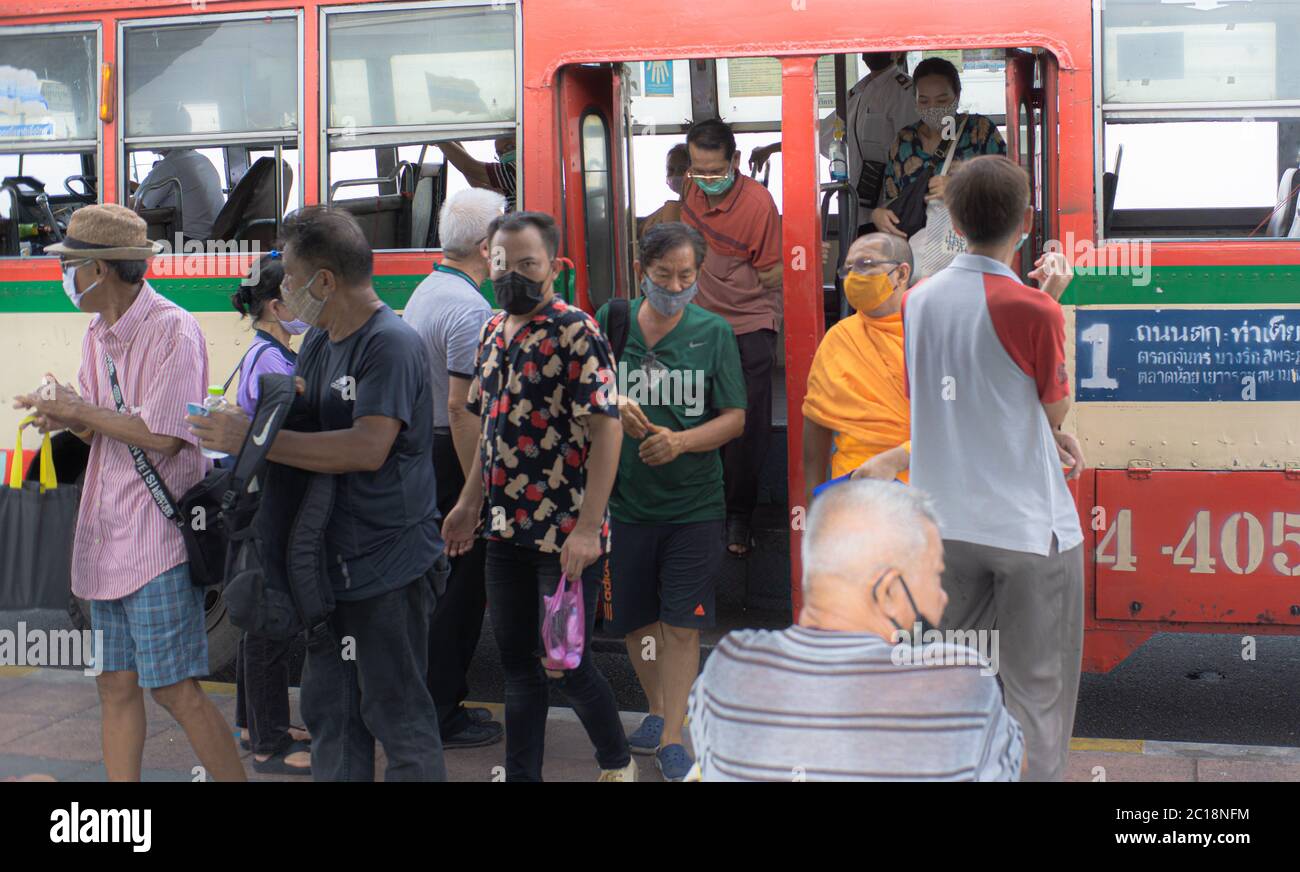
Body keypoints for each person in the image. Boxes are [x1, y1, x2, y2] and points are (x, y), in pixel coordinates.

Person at [189, 206, 448, 782]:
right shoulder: (320, 343)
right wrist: (256, 419)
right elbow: (306, 426)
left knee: (398, 718)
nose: (283, 290)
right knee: (333, 716)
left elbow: (366, 448)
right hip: (329, 574)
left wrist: (254, 437)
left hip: (388, 568)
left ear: (324, 280)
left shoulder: (392, 344)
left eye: (290, 275)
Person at [13, 203, 245, 782]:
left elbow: (165, 437)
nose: (63, 276)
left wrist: (78, 409)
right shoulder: (99, 333)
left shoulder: (171, 329)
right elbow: (100, 426)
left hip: (155, 539)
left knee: (173, 688)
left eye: (70, 265)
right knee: (115, 685)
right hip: (109, 529)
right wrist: (63, 416)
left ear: (102, 269)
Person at [901, 155, 1084, 781]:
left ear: (951, 217)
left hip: (945, 529)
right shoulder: (1035, 309)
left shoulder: (916, 302)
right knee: (1037, 695)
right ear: (1027, 221)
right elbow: (1055, 408)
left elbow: (954, 391)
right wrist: (1049, 299)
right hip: (1029, 532)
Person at [440, 211, 635, 782]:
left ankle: (617, 763)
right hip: (503, 531)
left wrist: (588, 528)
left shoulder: (577, 331)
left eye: (528, 264)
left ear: (553, 266)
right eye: (504, 263)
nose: (513, 275)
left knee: (568, 665)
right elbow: (489, 430)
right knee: (517, 667)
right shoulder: (490, 330)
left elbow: (607, 428)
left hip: (562, 535)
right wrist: (468, 503)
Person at [687, 480, 1024, 781]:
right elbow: (1012, 767)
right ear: (889, 592)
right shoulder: (960, 680)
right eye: (935, 577)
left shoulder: (729, 664)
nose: (943, 597)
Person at [594, 222, 746, 781]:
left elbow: (734, 418)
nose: (677, 286)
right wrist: (616, 405)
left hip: (695, 505)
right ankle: (657, 708)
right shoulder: (610, 323)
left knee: (682, 625)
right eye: (665, 276)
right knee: (637, 622)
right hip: (625, 502)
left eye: (687, 276)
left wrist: (680, 440)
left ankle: (674, 735)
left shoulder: (715, 332)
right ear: (642, 272)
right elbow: (585, 394)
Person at [402, 188, 507, 750]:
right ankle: (443, 711)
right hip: (453, 455)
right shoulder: (471, 310)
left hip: (429, 455)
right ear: (487, 247)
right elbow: (461, 411)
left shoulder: (429, 289)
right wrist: (479, 494)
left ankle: (429, 702)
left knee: (440, 589)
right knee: (461, 593)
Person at [679, 117, 783, 557]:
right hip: (698, 324)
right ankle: (703, 510)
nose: (706, 182)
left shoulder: (759, 205)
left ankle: (739, 516)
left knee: (744, 425)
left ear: (736, 161)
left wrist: (732, 287)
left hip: (748, 325)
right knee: (694, 415)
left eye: (715, 172)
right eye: (697, 171)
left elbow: (774, 273)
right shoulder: (692, 192)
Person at [227, 253, 312, 775]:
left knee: (261, 619)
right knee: (270, 623)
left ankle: (251, 721)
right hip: (268, 502)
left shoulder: (267, 352)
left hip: (260, 499)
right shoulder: (273, 362)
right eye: (300, 296)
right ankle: (269, 743)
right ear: (277, 305)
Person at [749, 52, 919, 230]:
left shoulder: (905, 92)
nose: (870, 52)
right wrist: (771, 148)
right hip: (858, 204)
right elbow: (820, 135)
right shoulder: (859, 91)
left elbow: (914, 150)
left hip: (890, 208)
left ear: (897, 52)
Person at [802, 232, 913, 504]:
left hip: (924, 489)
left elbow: (954, 423)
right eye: (848, 268)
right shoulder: (840, 338)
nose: (854, 276)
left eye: (866, 264)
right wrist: (813, 495)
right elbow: (817, 422)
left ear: (901, 274)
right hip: (853, 488)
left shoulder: (930, 332)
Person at [871, 57, 1006, 240]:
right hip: (917, 252)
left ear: (957, 96)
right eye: (924, 101)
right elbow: (893, 198)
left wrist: (960, 190)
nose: (933, 108)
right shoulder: (904, 140)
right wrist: (879, 215)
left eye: (942, 101)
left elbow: (1008, 192)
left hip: (972, 246)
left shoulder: (979, 131)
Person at [134, 104, 225, 240]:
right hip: (212, 239)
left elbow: (136, 204)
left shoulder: (170, 166)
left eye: (153, 126)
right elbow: (149, 191)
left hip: (188, 242)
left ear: (166, 131)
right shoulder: (200, 159)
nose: (148, 132)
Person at [436, 134, 517, 211]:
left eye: (510, 147)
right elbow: (478, 183)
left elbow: (470, 168)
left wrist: (438, 137)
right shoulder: (511, 179)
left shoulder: (516, 169)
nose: (505, 154)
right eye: (499, 153)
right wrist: (451, 139)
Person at [638, 143, 689, 235]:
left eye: (682, 169)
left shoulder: (696, 209)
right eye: (671, 169)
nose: (676, 174)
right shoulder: (668, 208)